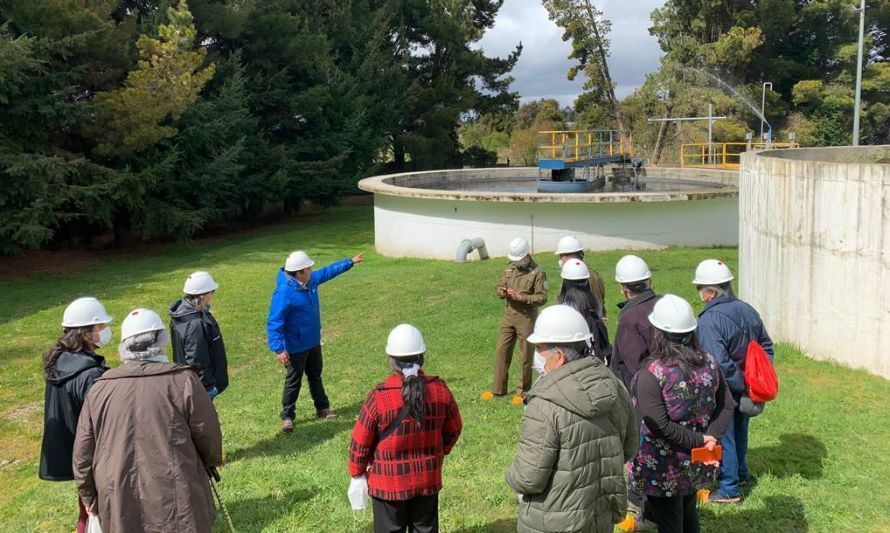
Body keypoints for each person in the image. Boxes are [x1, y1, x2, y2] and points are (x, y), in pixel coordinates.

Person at [72, 308, 222, 533]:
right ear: (161, 341)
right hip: (176, 491)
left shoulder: (100, 389)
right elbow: (208, 434)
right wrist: (210, 461)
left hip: (120, 493)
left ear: (124, 347)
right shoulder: (183, 381)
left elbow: (83, 451)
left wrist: (87, 493)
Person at [507, 305, 637, 533]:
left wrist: (511, 474)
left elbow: (529, 478)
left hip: (553, 520)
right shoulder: (614, 385)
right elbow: (629, 447)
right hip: (600, 512)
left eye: (539, 349)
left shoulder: (545, 404)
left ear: (558, 357)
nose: (536, 356)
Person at [628, 294, 734, 533]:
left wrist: (702, 440)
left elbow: (659, 425)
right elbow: (726, 403)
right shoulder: (708, 360)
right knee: (687, 508)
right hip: (697, 459)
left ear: (658, 332)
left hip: (663, 465)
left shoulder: (652, 373)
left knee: (670, 520)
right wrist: (711, 437)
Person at [348, 324, 462, 533]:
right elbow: (454, 429)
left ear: (391, 360)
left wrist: (357, 474)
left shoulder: (380, 398)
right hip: (427, 480)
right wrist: (437, 452)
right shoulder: (440, 391)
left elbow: (359, 443)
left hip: (388, 486)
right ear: (422, 356)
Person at [694, 259, 774, 504]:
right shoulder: (747, 309)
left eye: (699, 288)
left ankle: (729, 489)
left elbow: (717, 362)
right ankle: (740, 474)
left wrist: (739, 384)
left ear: (710, 291)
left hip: (727, 389)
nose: (699, 294)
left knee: (723, 436)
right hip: (747, 389)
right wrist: (752, 383)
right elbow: (767, 346)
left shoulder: (709, 320)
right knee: (740, 431)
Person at [268, 250, 364, 432]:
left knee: (315, 375)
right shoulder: (283, 293)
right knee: (293, 381)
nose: (312, 270)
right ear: (298, 273)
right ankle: (288, 416)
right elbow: (274, 323)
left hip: (313, 342)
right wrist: (279, 349)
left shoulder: (309, 281)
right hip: (295, 347)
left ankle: (322, 409)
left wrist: (349, 262)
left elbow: (327, 272)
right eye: (308, 269)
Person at [39, 297, 113, 533]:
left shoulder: (61, 362)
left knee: (88, 508)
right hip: (91, 454)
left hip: (73, 451)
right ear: (85, 333)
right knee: (98, 511)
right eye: (100, 327)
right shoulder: (88, 374)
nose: (105, 331)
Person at [484, 237, 547, 404]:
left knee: (526, 354)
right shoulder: (509, 268)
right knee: (501, 350)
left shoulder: (537, 273)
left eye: (519, 259)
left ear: (527, 256)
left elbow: (542, 297)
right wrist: (502, 292)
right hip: (509, 314)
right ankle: (498, 389)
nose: (516, 263)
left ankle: (523, 392)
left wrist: (523, 297)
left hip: (526, 317)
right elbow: (499, 286)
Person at [170, 270, 229, 399]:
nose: (213, 295)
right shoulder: (195, 324)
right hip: (201, 389)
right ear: (202, 295)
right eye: (211, 292)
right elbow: (197, 360)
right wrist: (207, 388)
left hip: (189, 383)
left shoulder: (181, 316)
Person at [611, 255, 660, 392]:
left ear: (623, 287)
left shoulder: (629, 319)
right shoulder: (665, 304)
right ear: (649, 281)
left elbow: (635, 368)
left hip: (646, 394)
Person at [558, 258, 611, 362]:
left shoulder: (564, 308)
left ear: (565, 284)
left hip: (572, 356)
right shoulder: (596, 303)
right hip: (594, 354)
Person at [555, 235, 607, 321]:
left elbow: (596, 302)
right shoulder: (577, 273)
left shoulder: (588, 276)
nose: (561, 260)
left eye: (561, 256)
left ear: (569, 256)